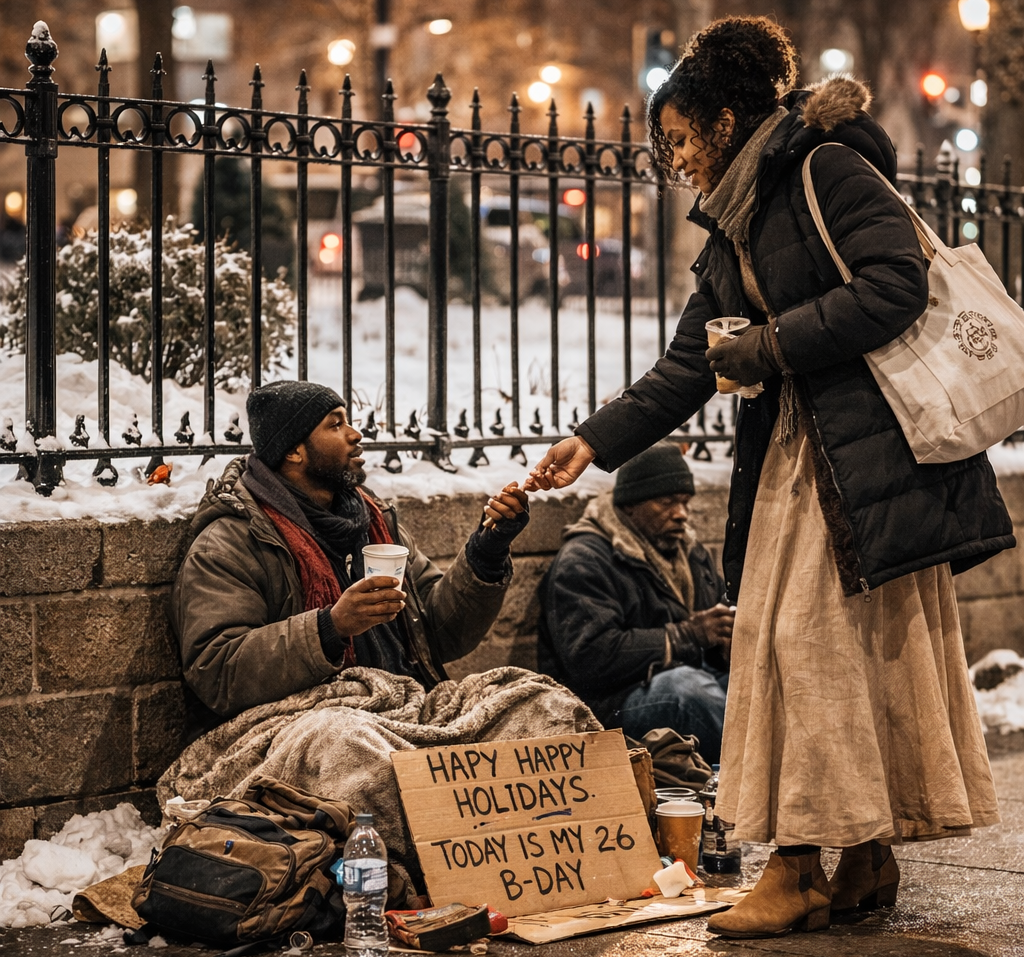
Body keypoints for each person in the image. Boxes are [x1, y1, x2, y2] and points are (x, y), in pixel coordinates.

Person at [525, 16, 1014, 939]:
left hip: (866, 458)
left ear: (723, 119)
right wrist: (592, 441)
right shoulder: (735, 218)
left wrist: (769, 345)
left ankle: (795, 868)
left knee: (800, 648)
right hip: (807, 458)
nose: (676, 159)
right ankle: (865, 855)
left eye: (681, 138)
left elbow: (895, 283)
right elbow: (689, 363)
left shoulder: (826, 170)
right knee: (844, 652)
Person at [171, 380, 530, 737]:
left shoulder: (373, 521)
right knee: (354, 746)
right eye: (335, 424)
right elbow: (217, 670)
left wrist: (487, 550)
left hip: (409, 709)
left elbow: (439, 632)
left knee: (532, 700)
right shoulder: (231, 542)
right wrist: (330, 628)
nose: (356, 434)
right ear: (294, 451)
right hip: (308, 726)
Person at [536, 441, 733, 761]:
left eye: (685, 502)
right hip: (605, 707)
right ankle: (749, 775)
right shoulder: (584, 560)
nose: (681, 515)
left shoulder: (689, 551)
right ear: (630, 505)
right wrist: (686, 636)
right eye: (667, 503)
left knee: (751, 686)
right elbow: (590, 659)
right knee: (686, 691)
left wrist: (725, 640)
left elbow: (714, 618)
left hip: (682, 677)